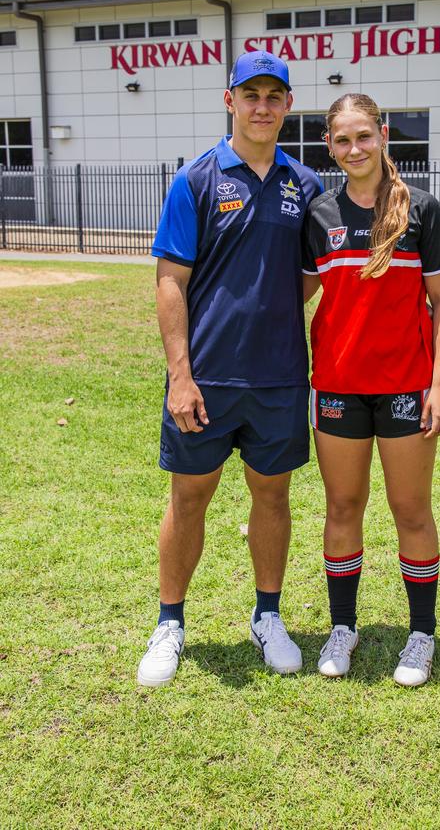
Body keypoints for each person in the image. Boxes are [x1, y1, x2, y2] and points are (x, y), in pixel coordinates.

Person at [137, 52, 322, 687]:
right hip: (207, 377)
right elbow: (170, 281)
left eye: (275, 95)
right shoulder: (196, 178)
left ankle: (267, 616)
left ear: (288, 105)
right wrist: (181, 374)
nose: (262, 106)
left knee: (272, 494)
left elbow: (309, 276)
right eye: (251, 94)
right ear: (230, 100)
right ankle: (170, 622)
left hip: (278, 378)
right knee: (190, 496)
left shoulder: (307, 186)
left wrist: (266, 316)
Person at [302, 93, 440, 687]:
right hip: (338, 388)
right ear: (329, 146)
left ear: (383, 135)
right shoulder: (318, 215)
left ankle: (420, 635)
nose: (354, 149)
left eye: (363, 136)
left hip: (405, 387)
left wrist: (439, 384)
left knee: (410, 509)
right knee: (343, 507)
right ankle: (342, 627)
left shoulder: (421, 209)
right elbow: (295, 298)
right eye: (342, 140)